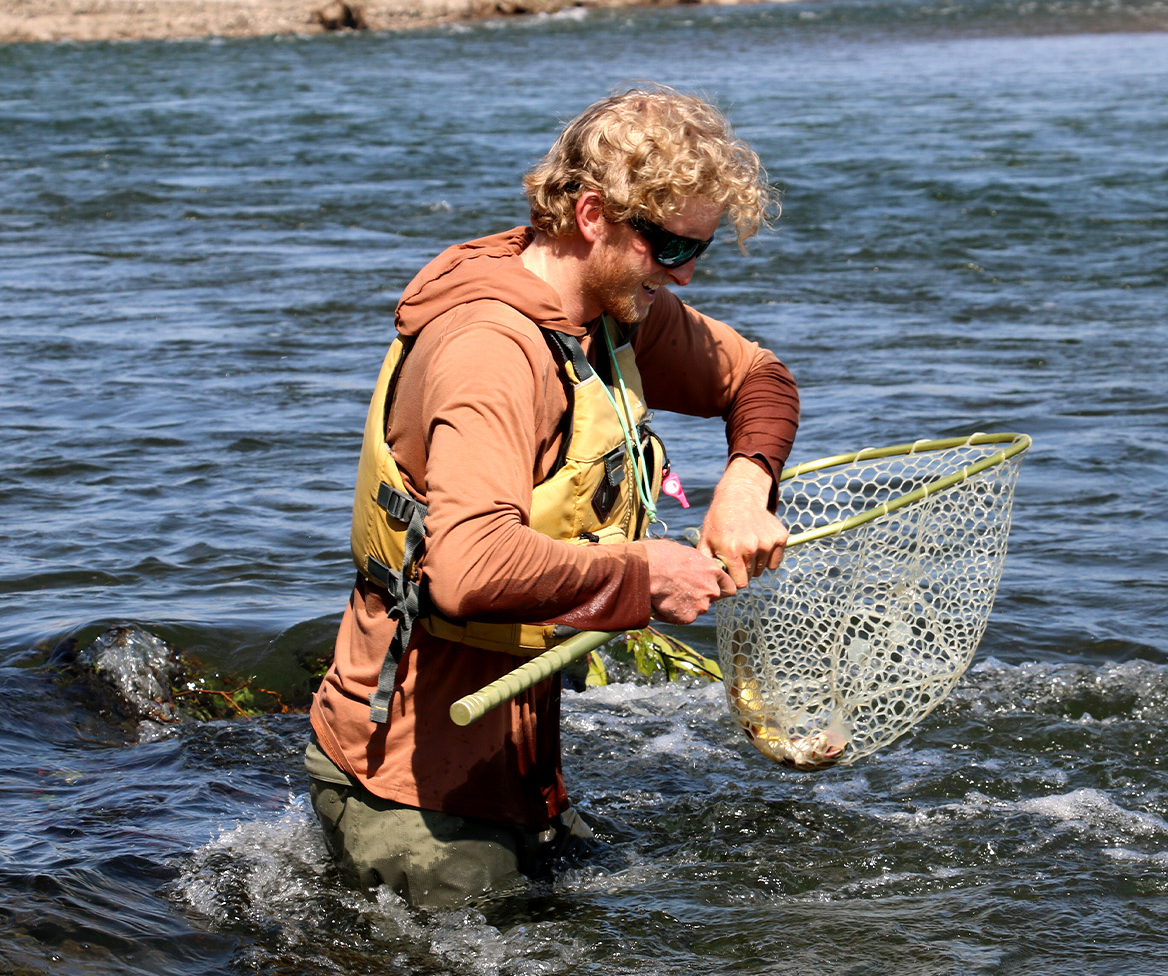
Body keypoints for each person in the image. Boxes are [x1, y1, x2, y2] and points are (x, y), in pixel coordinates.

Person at [305, 86, 800, 909]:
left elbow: (760, 379)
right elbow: (466, 567)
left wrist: (746, 488)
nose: (680, 274)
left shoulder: (610, 313)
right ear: (594, 213)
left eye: (698, 253)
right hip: (413, 793)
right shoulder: (491, 351)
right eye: (668, 245)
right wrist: (646, 577)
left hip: (514, 770)